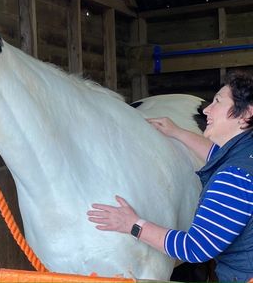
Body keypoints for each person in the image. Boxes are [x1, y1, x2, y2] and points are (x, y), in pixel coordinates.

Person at [87, 72, 253, 282]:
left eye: (218, 101)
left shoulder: (233, 179)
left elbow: (195, 248)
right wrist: (177, 132)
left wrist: (132, 224)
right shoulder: (246, 150)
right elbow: (218, 156)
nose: (206, 109)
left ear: (246, 114)